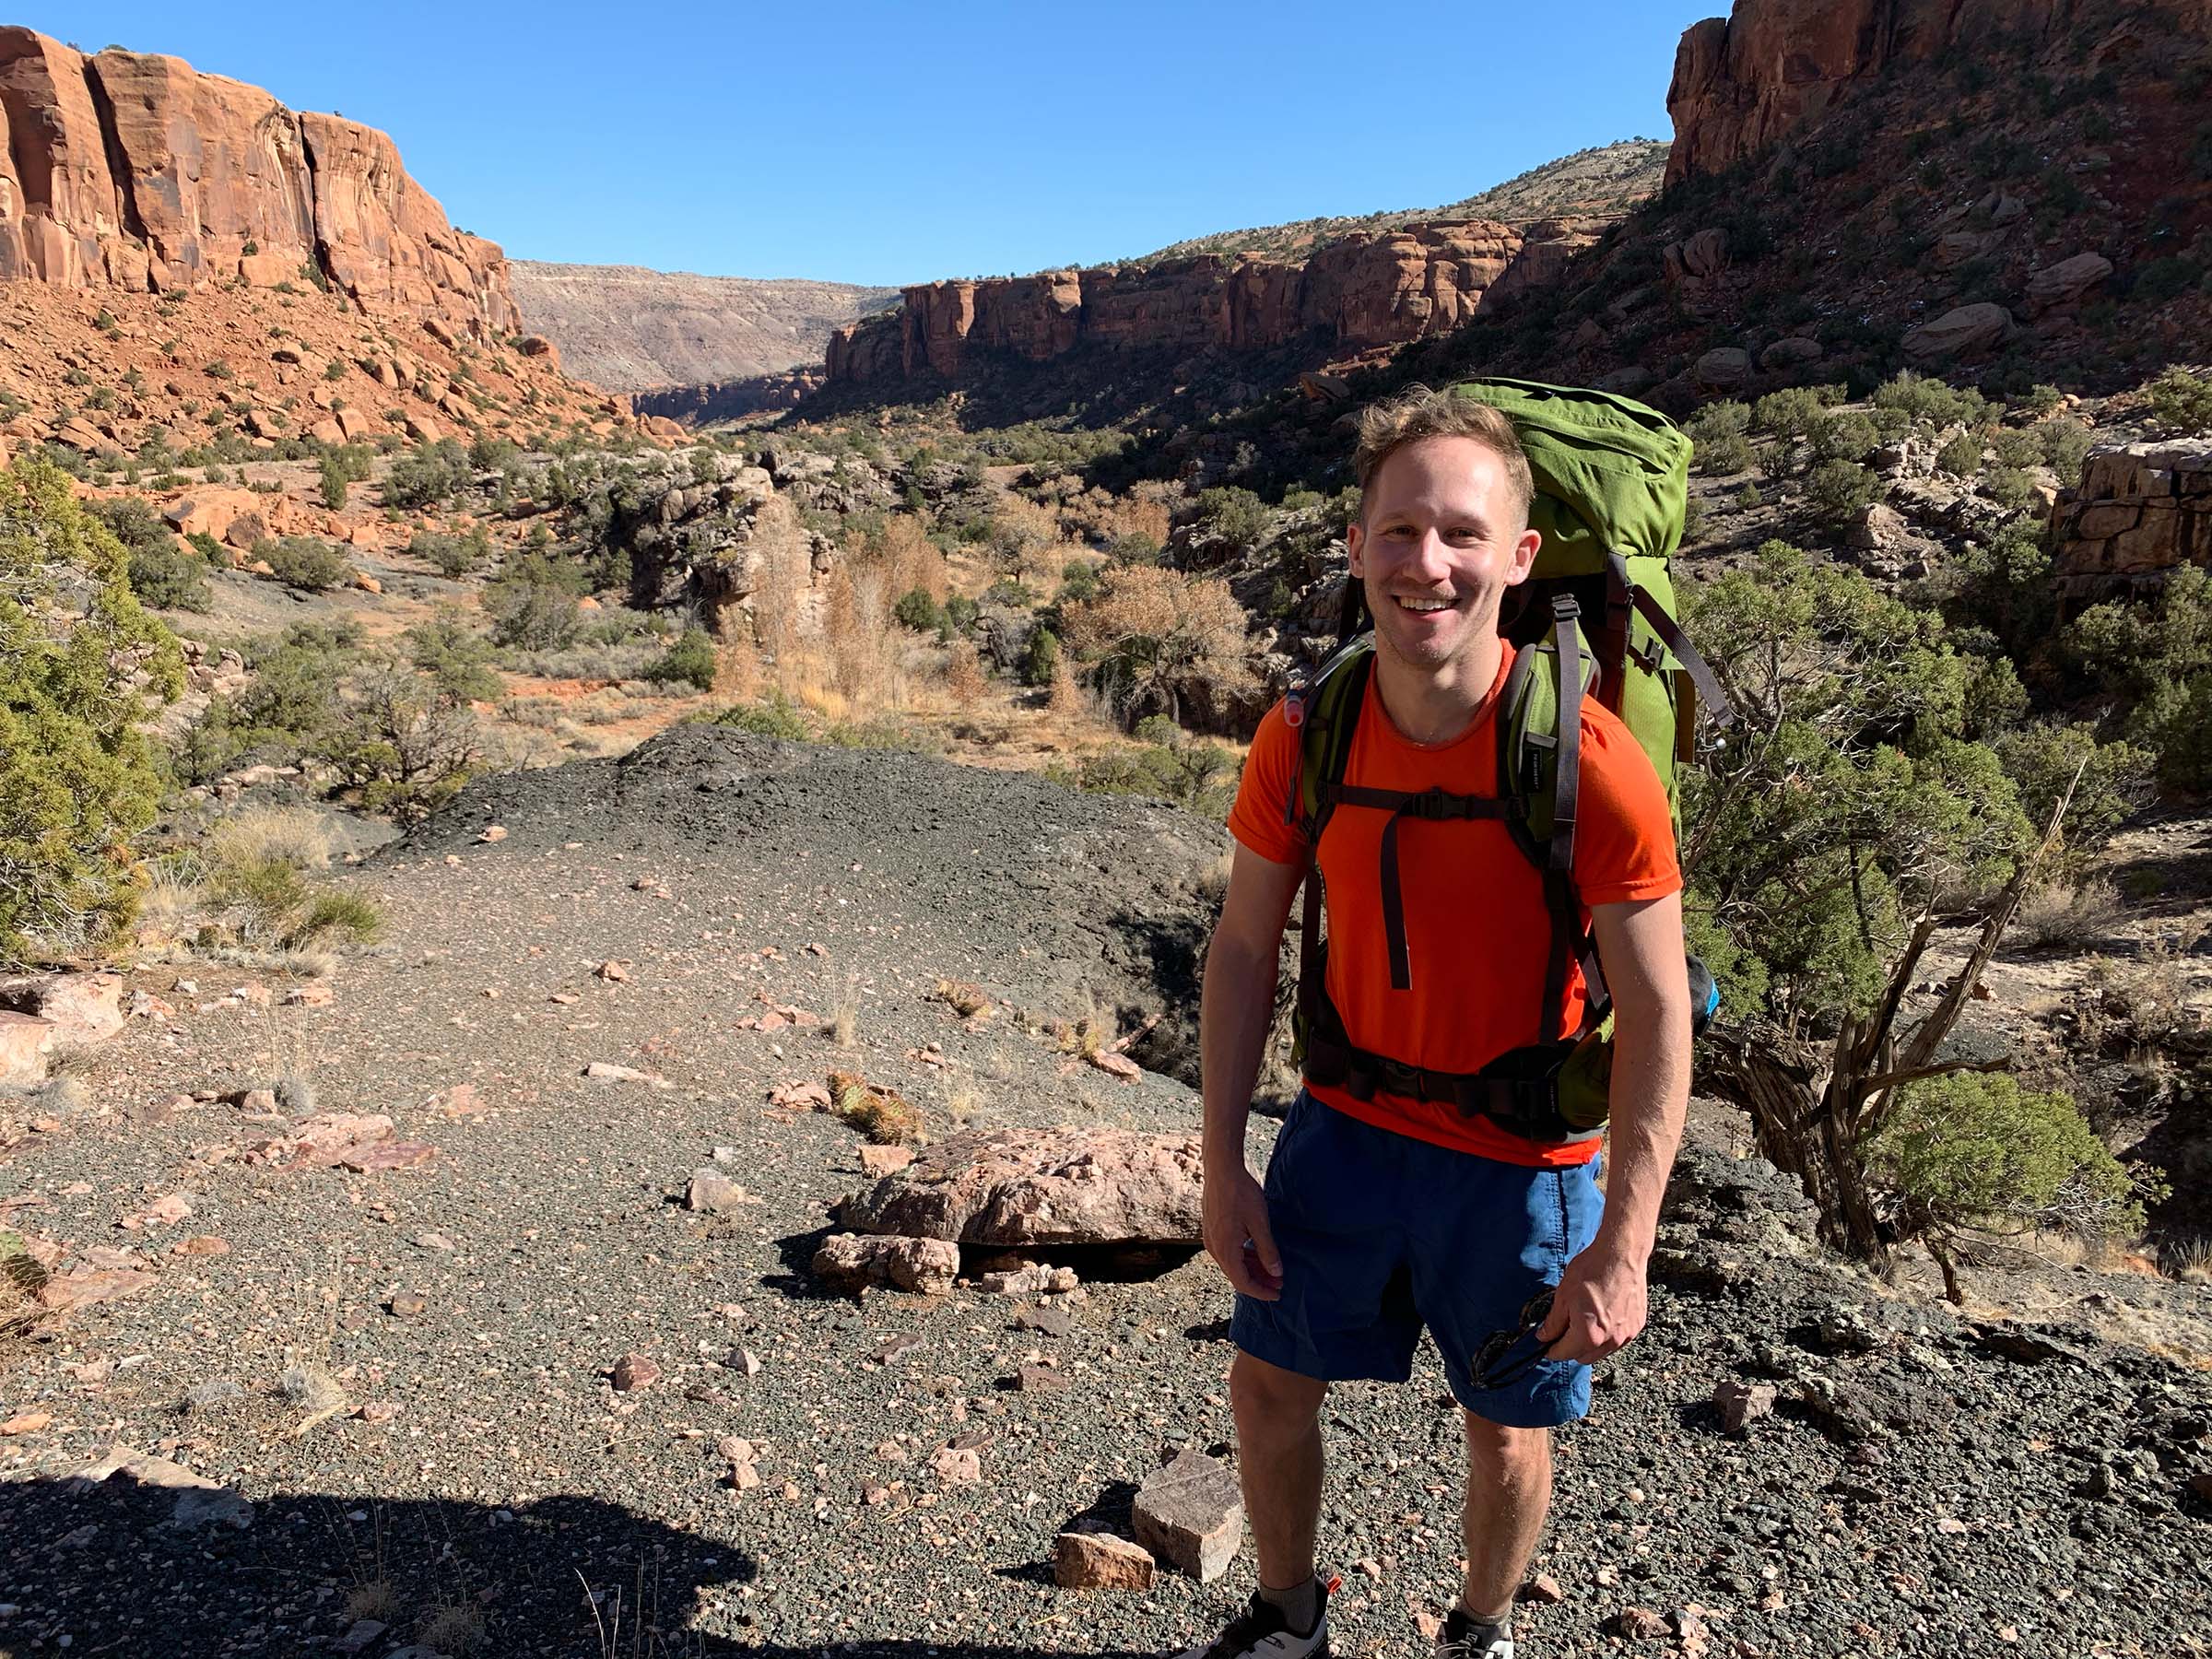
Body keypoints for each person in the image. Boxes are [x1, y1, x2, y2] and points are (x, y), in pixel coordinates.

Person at [1181, 387, 1693, 1659]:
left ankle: (1480, 1632)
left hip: (1521, 1166)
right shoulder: (1308, 732)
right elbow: (1244, 948)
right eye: (1400, 532)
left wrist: (1624, 1244)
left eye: (1464, 534)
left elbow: (1658, 1010)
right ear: (1357, 548)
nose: (1429, 564)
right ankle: (1288, 1619)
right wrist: (1221, 1163)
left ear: (1520, 560)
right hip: (1345, 1133)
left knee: (1509, 1428)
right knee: (1267, 1384)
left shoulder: (1589, 760)